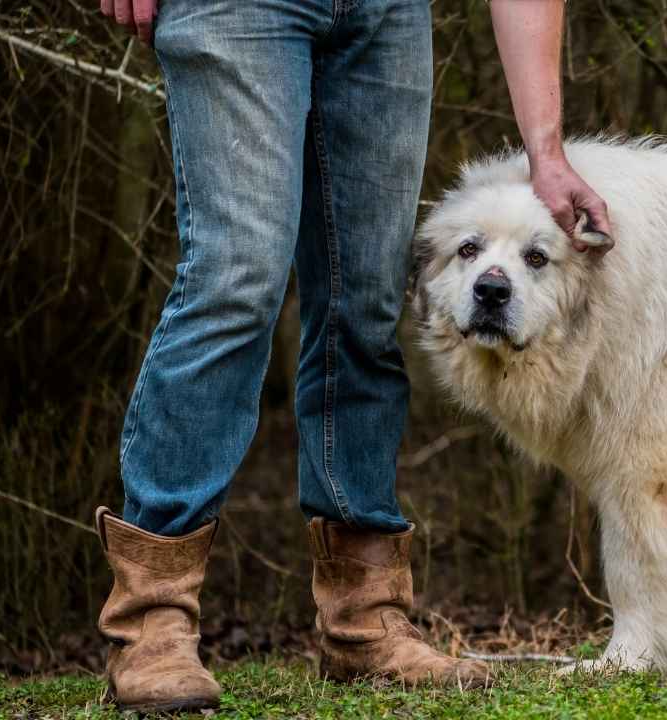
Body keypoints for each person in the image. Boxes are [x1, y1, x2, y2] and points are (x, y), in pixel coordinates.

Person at [93, 0, 611, 711]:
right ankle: (150, 622)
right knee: (235, 284)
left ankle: (364, 621)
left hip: (387, 16)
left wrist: (546, 154)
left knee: (363, 305)